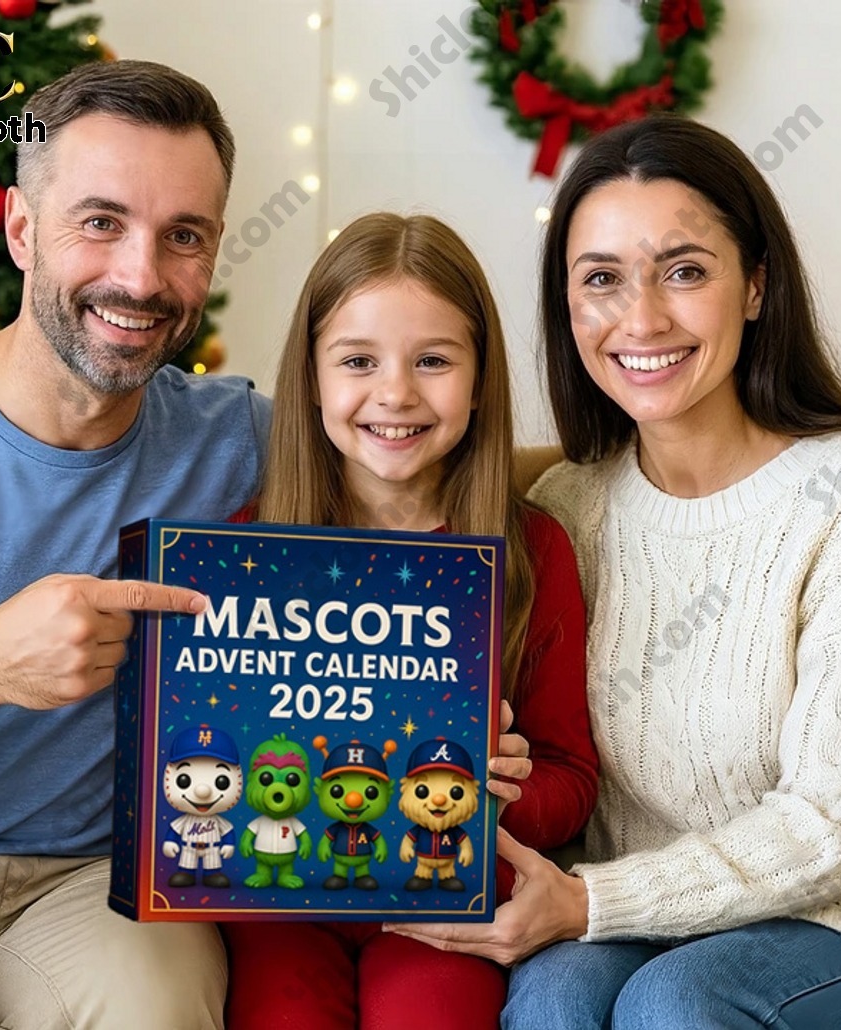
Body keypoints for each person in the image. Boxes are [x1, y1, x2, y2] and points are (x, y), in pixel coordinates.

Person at [386, 116, 841, 1029]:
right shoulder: (569, 506)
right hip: (625, 903)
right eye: (602, 281)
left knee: (676, 1002)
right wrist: (500, 762)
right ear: (568, 308)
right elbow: (553, 758)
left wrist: (589, 905)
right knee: (547, 1003)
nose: (643, 318)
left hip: (834, 917)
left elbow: (832, 825)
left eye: (685, 269)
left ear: (756, 286)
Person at [0, 61, 271, 1030]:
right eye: (101, 221)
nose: (140, 277)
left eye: (184, 237)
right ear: (20, 230)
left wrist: (472, 725)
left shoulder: (243, 439)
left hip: (95, 882)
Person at [221, 212, 598, 1029]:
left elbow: (573, 780)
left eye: (433, 360)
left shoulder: (532, 552)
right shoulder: (248, 555)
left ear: (479, 378)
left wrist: (498, 791)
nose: (395, 393)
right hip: (284, 902)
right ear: (312, 376)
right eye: (358, 361)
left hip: (444, 900)